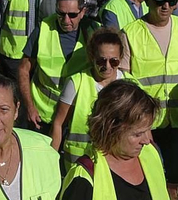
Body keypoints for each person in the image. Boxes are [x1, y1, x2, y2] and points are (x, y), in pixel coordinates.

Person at [120, 0, 178, 184]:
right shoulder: (130, 33)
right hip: (145, 125)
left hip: (177, 121)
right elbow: (125, 86)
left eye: (171, 2)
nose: (166, 7)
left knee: (177, 178)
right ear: (147, 1)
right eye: (160, 1)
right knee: (148, 180)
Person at [50, 29, 126, 169]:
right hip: (79, 162)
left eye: (113, 61)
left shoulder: (130, 85)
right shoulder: (76, 82)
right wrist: (51, 162)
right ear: (92, 57)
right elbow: (58, 124)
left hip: (116, 162)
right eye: (101, 60)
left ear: (121, 57)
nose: (107, 66)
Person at [18, 0, 87, 132]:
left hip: (77, 116)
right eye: (61, 14)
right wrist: (29, 107)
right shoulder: (43, 29)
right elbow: (23, 69)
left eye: (72, 15)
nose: (66, 20)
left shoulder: (93, 32)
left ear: (83, 12)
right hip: (43, 116)